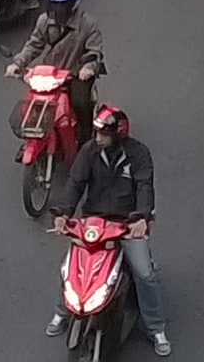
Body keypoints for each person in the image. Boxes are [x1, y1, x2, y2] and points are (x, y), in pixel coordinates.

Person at [47, 106, 171, 357]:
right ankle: (62, 312)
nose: (98, 138)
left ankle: (156, 328)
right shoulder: (89, 151)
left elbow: (145, 188)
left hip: (126, 224)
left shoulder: (139, 154)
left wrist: (141, 219)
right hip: (93, 223)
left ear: (119, 134)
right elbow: (75, 184)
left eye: (103, 134)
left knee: (145, 274)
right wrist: (63, 213)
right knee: (71, 268)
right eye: (96, 133)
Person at [6, 0, 105, 151]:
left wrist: (88, 68)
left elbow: (95, 51)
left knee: (81, 104)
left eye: (62, 5)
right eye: (55, 4)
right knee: (34, 104)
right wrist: (18, 63)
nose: (58, 10)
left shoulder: (87, 24)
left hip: (75, 74)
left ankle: (85, 142)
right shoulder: (44, 21)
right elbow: (34, 44)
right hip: (49, 75)